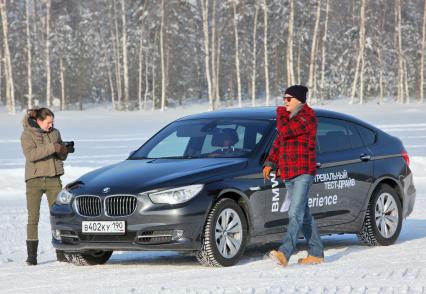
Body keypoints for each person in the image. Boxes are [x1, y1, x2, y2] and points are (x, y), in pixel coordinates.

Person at [263, 85, 324, 266]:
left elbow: (285, 131)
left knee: (295, 213)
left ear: (299, 99)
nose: (285, 102)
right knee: (304, 215)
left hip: (303, 172)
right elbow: (278, 142)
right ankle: (317, 253)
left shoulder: (308, 116)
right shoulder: (288, 118)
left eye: (288, 99)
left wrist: (281, 113)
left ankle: (285, 252)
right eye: (284, 99)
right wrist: (270, 162)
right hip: (288, 172)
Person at [20, 108, 69, 265]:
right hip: (34, 180)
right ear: (39, 121)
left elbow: (60, 154)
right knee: (33, 218)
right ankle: (32, 257)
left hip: (54, 179)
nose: (51, 125)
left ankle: (61, 252)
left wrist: (64, 150)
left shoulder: (55, 133)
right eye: (48, 122)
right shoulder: (27, 134)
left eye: (53, 122)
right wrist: (53, 147)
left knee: (58, 216)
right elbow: (31, 155)